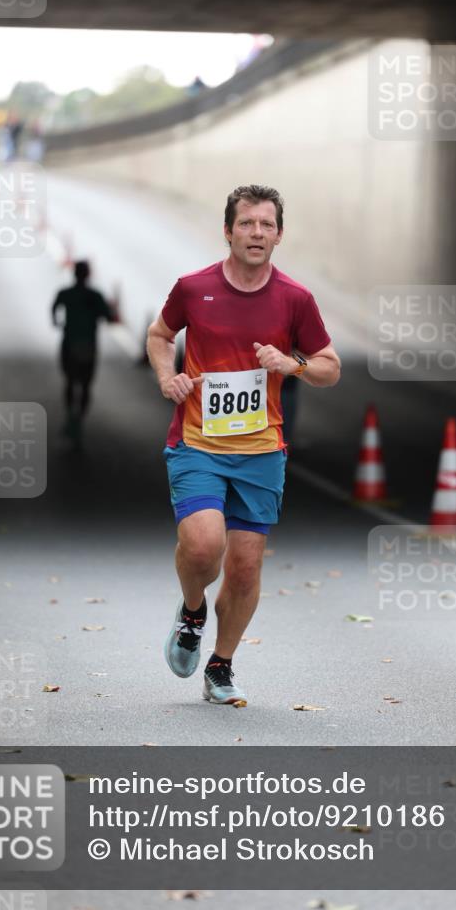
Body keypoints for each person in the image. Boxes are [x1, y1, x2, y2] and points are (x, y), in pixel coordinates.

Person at [147, 184, 341, 705]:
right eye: (247, 223)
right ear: (228, 230)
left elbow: (329, 366)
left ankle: (221, 664)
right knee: (205, 545)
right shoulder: (193, 288)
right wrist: (169, 379)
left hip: (261, 450)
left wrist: (292, 364)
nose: (257, 233)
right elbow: (160, 336)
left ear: (279, 234)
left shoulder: (295, 299)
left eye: (267, 225)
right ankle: (192, 611)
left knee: (246, 566)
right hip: (197, 442)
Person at [52, 261, 116, 440]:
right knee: (86, 384)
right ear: (88, 275)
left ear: (75, 274)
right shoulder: (95, 296)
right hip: (88, 344)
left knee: (70, 380)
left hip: (69, 342)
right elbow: (109, 318)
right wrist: (112, 309)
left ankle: (70, 416)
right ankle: (79, 419)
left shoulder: (65, 293)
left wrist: (57, 322)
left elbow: (54, 307)